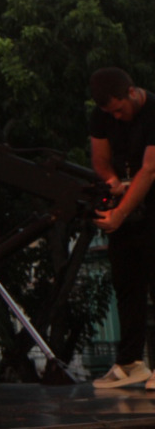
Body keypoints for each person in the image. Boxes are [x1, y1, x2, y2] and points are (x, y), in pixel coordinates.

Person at [88, 66, 155, 389]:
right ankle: (130, 362)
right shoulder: (102, 116)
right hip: (128, 205)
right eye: (109, 113)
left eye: (118, 109)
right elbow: (99, 158)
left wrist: (120, 213)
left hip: (149, 201)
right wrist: (113, 181)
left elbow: (150, 170)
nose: (116, 117)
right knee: (127, 284)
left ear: (132, 92)